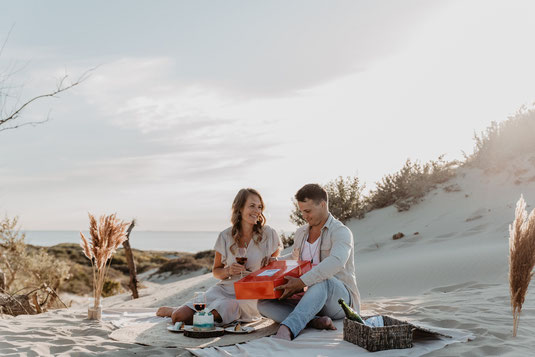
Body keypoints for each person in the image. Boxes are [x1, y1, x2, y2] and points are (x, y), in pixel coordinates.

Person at [156, 188, 283, 325]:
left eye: (259, 207)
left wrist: (270, 266)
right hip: (224, 288)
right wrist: (228, 271)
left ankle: (196, 312)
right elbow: (216, 271)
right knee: (179, 317)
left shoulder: (269, 234)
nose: (257, 211)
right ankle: (175, 311)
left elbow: (274, 266)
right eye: (252, 206)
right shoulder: (225, 236)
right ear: (239, 208)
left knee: (207, 317)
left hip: (249, 295)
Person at [257, 183, 360, 340]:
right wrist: (275, 261)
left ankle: (288, 328)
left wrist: (301, 282)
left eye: (308, 211)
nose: (304, 216)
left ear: (323, 205)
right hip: (309, 298)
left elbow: (336, 262)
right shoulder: (301, 233)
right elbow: (295, 257)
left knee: (323, 280)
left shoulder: (341, 232)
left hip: (339, 301)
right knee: (263, 302)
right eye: (302, 211)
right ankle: (314, 321)